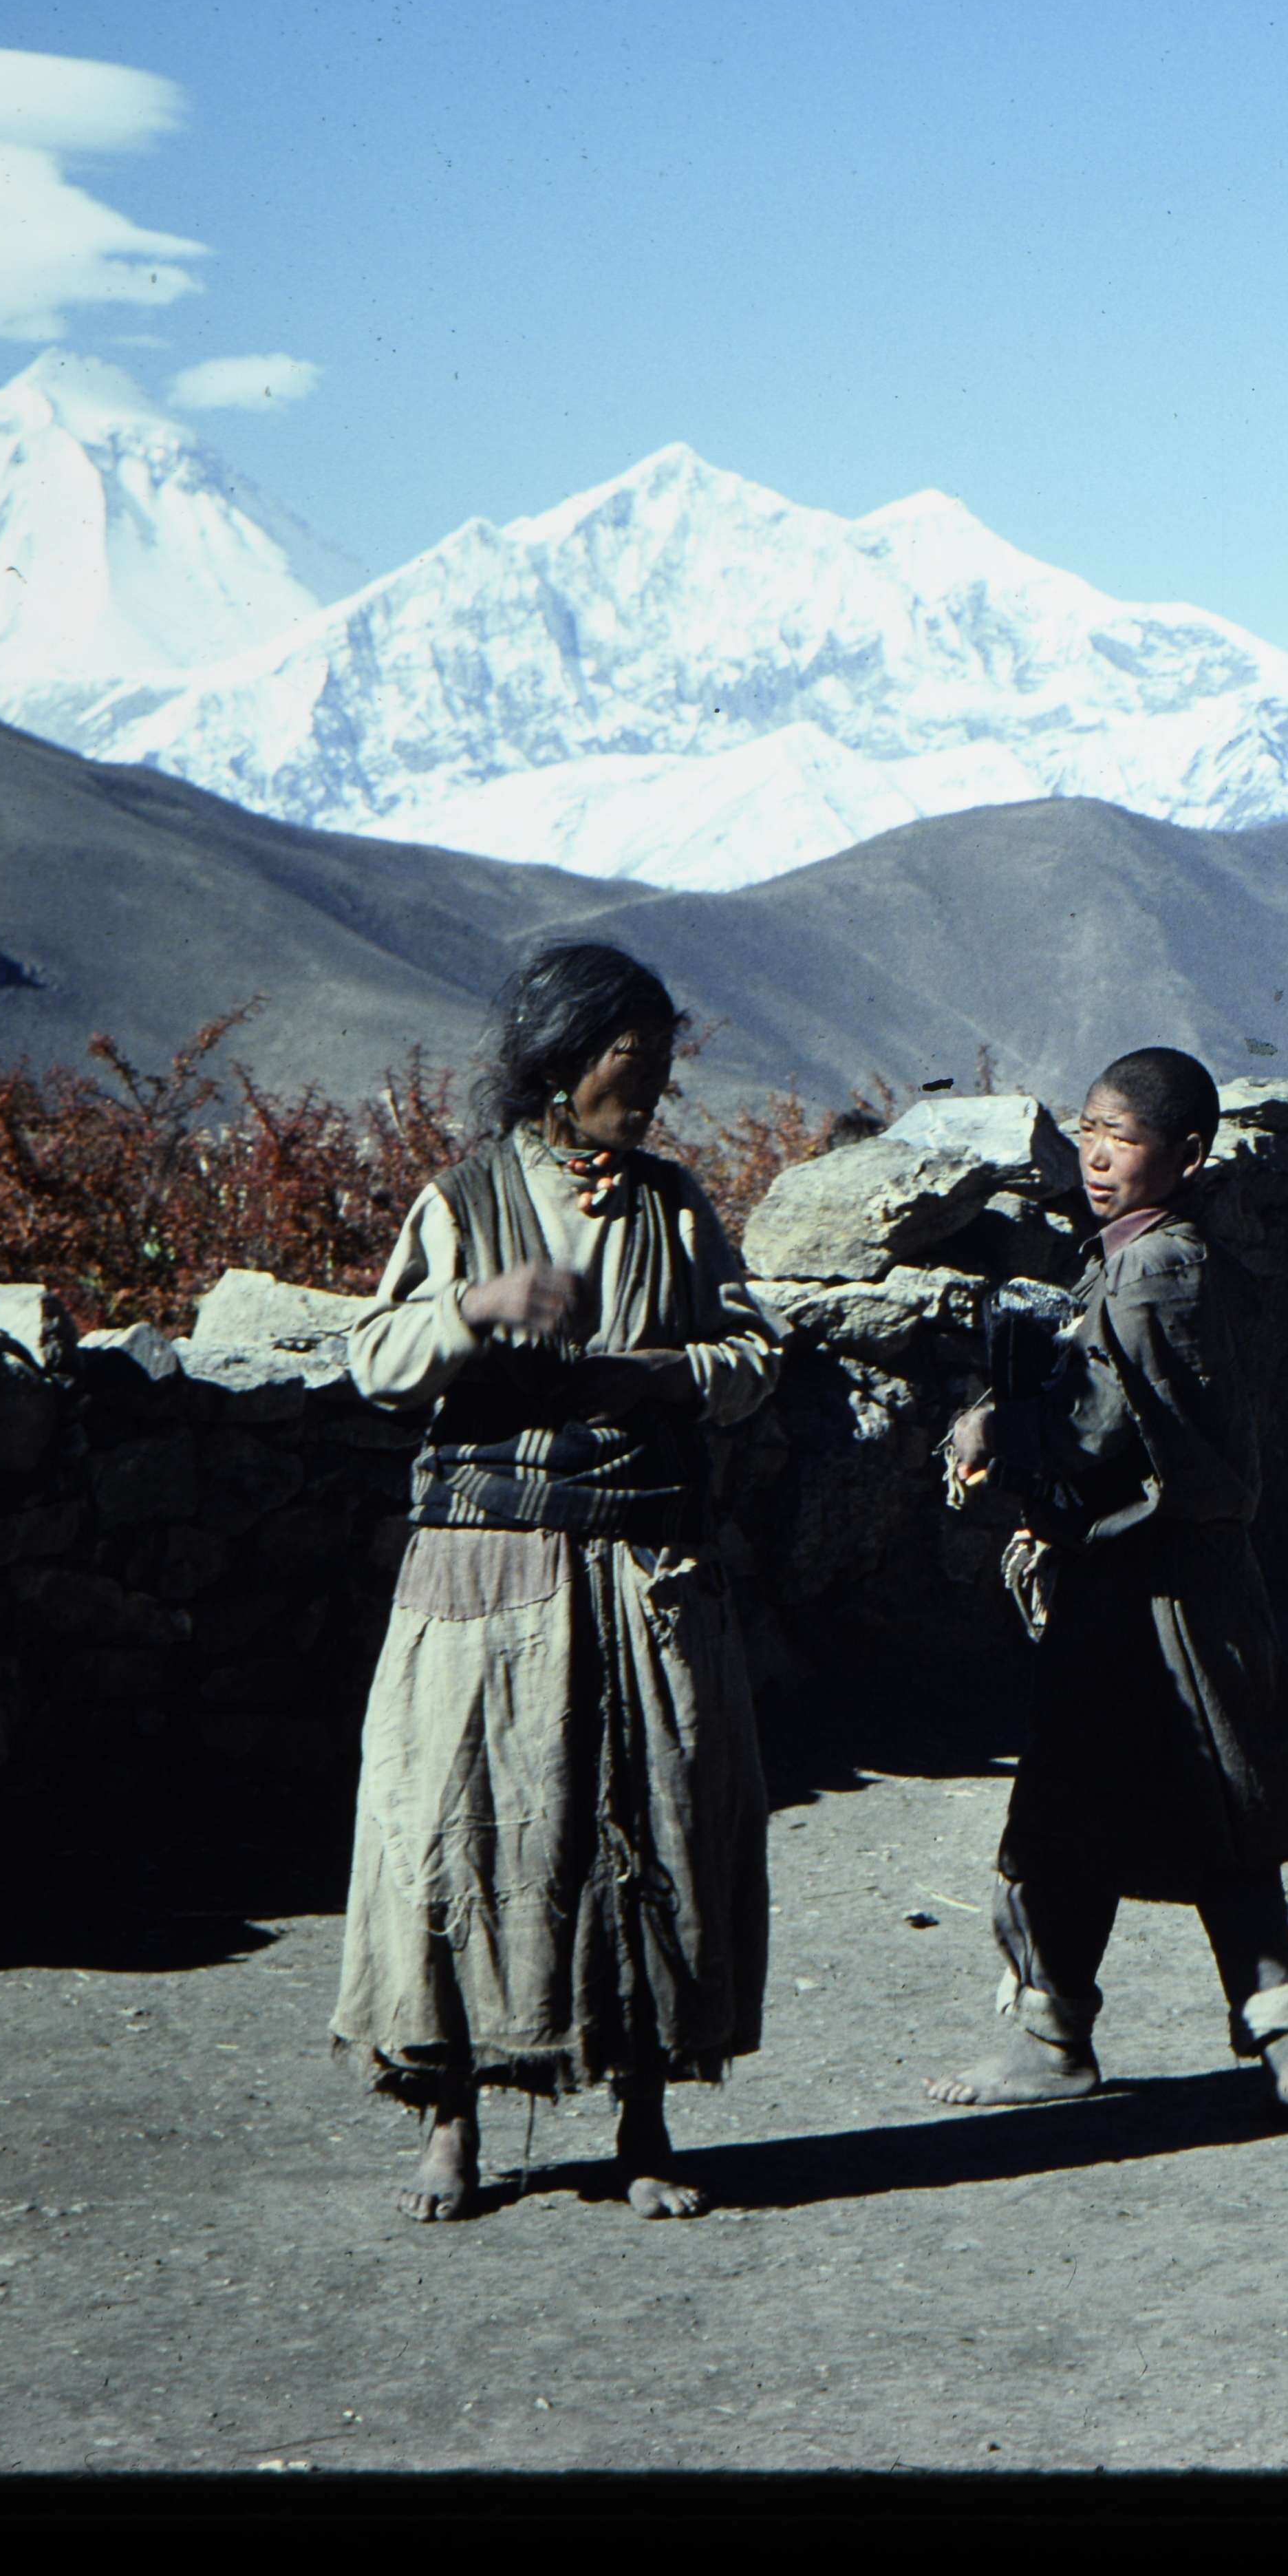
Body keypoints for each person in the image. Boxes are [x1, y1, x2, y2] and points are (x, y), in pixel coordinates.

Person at [333, 942, 781, 2220]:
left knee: (650, 1827)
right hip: (487, 1568)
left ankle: (643, 2121)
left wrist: (665, 1373)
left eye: (662, 1069)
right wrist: (475, 1308)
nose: (651, 1095)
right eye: (631, 1066)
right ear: (561, 1061)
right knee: (462, 1824)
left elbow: (755, 1352)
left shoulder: (673, 1205)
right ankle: (450, 2115)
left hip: (639, 1564)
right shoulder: (463, 1201)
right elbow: (375, 1358)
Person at [927, 1046, 1288, 2120]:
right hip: (1200, 1587)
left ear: (1186, 1156)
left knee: (1068, 1811)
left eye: (1124, 1137)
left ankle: (1055, 2041)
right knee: (1222, 1809)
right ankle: (1286, 2034)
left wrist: (996, 1429)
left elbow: (1101, 1427)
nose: (1098, 1156)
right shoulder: (1169, 1260)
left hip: (1137, 1591)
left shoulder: (1151, 1271)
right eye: (1089, 1131)